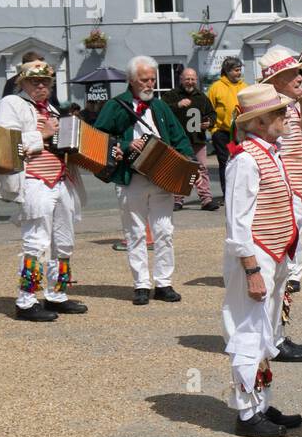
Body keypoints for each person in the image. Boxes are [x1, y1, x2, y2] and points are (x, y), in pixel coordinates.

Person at [221, 84, 302, 437]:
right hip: (256, 256)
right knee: (247, 333)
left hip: (274, 253)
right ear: (258, 122)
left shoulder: (270, 152)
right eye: (277, 113)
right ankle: (246, 413)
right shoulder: (244, 160)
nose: (285, 116)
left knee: (266, 333)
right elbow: (236, 223)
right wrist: (252, 269)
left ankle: (260, 403)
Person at [94, 56, 195, 305]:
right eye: (144, 79)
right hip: (131, 178)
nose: (150, 84)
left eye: (152, 79)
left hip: (162, 177)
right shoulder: (116, 106)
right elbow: (98, 137)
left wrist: (190, 162)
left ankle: (163, 283)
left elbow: (178, 136)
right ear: (131, 80)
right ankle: (141, 284)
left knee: (164, 232)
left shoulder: (160, 107)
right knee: (135, 232)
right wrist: (127, 144)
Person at [0, 60, 88, 321]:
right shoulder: (11, 103)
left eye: (46, 81)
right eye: (34, 81)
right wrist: (42, 135)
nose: (41, 86)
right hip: (34, 180)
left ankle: (57, 295)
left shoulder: (54, 110)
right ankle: (26, 301)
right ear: (21, 83)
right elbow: (5, 144)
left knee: (64, 242)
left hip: (62, 180)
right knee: (35, 242)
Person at [259, 47, 302, 361]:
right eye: (294, 73)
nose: (300, 77)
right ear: (277, 79)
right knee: (275, 269)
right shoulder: (267, 110)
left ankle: (277, 335)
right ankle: (270, 340)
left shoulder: (291, 106)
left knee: (282, 272)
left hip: (299, 189)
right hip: (283, 192)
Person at [165, 67, 219, 212]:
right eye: (187, 79)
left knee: (202, 169)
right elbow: (160, 110)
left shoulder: (202, 97)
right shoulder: (172, 95)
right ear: (181, 80)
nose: (190, 82)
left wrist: (209, 123)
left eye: (192, 79)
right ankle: (177, 199)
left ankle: (206, 199)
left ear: (196, 80)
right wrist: (177, 105)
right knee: (179, 169)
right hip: (177, 140)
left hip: (198, 140)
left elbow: (212, 114)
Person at [207, 57, 247, 202]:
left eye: (240, 70)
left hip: (241, 132)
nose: (239, 73)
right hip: (222, 133)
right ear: (227, 71)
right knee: (225, 163)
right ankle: (227, 194)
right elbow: (208, 109)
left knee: (242, 162)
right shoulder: (216, 87)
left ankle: (241, 193)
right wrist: (213, 130)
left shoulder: (245, 87)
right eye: (236, 70)